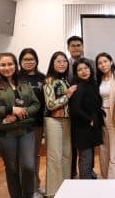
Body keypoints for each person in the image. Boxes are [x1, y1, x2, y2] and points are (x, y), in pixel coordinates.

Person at [0, 52, 40, 198]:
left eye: (10, 64)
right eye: (3, 64)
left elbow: (35, 104)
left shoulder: (23, 82)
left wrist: (21, 114)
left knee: (28, 166)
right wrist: (10, 109)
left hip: (26, 130)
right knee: (12, 169)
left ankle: (28, 195)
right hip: (5, 134)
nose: (7, 67)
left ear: (15, 65)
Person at [43, 51, 77, 197]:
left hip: (67, 120)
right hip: (53, 121)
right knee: (54, 157)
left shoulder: (66, 79)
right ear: (53, 63)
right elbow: (50, 104)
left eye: (64, 61)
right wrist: (68, 95)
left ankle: (65, 188)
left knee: (67, 156)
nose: (62, 63)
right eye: (59, 61)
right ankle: (52, 192)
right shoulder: (49, 80)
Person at [66, 35, 97, 178]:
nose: (76, 48)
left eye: (79, 45)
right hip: (72, 111)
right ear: (68, 48)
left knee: (88, 149)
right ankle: (74, 173)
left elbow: (94, 83)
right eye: (73, 45)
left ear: (83, 47)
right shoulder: (64, 63)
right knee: (74, 147)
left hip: (89, 110)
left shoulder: (91, 63)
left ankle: (88, 172)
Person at [70, 58, 105, 179]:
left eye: (86, 68)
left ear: (90, 69)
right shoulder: (77, 87)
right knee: (85, 158)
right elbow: (75, 109)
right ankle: (85, 184)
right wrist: (89, 120)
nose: (83, 71)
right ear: (76, 73)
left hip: (92, 126)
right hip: (82, 127)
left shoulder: (93, 84)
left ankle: (89, 178)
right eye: (80, 69)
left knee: (89, 156)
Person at [18, 48, 46, 196]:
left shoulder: (42, 77)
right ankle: (26, 189)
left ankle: (36, 186)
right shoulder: (16, 77)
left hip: (38, 122)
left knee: (35, 155)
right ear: (20, 61)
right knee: (24, 158)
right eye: (25, 60)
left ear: (36, 61)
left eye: (31, 59)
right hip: (20, 123)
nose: (29, 62)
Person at [96, 52, 115, 179]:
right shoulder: (98, 79)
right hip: (101, 116)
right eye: (100, 63)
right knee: (104, 150)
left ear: (111, 62)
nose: (103, 65)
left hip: (114, 116)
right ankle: (105, 179)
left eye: (105, 61)